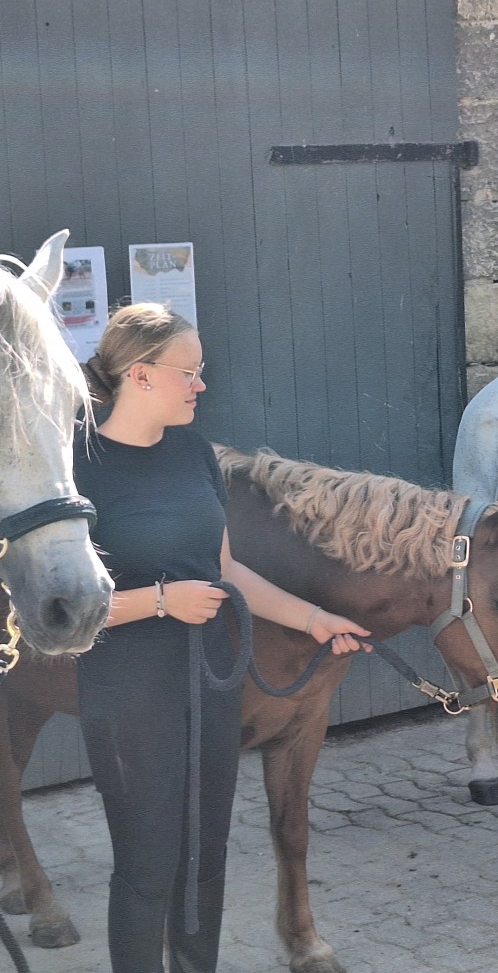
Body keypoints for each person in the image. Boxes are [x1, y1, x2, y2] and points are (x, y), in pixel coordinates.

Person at [75, 304, 371, 973]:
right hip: (127, 692)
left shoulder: (194, 452)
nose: (201, 385)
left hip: (208, 681)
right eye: (191, 371)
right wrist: (157, 601)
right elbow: (62, 608)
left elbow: (226, 569)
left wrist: (314, 620)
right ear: (142, 375)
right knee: (149, 865)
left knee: (205, 861)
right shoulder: (78, 467)